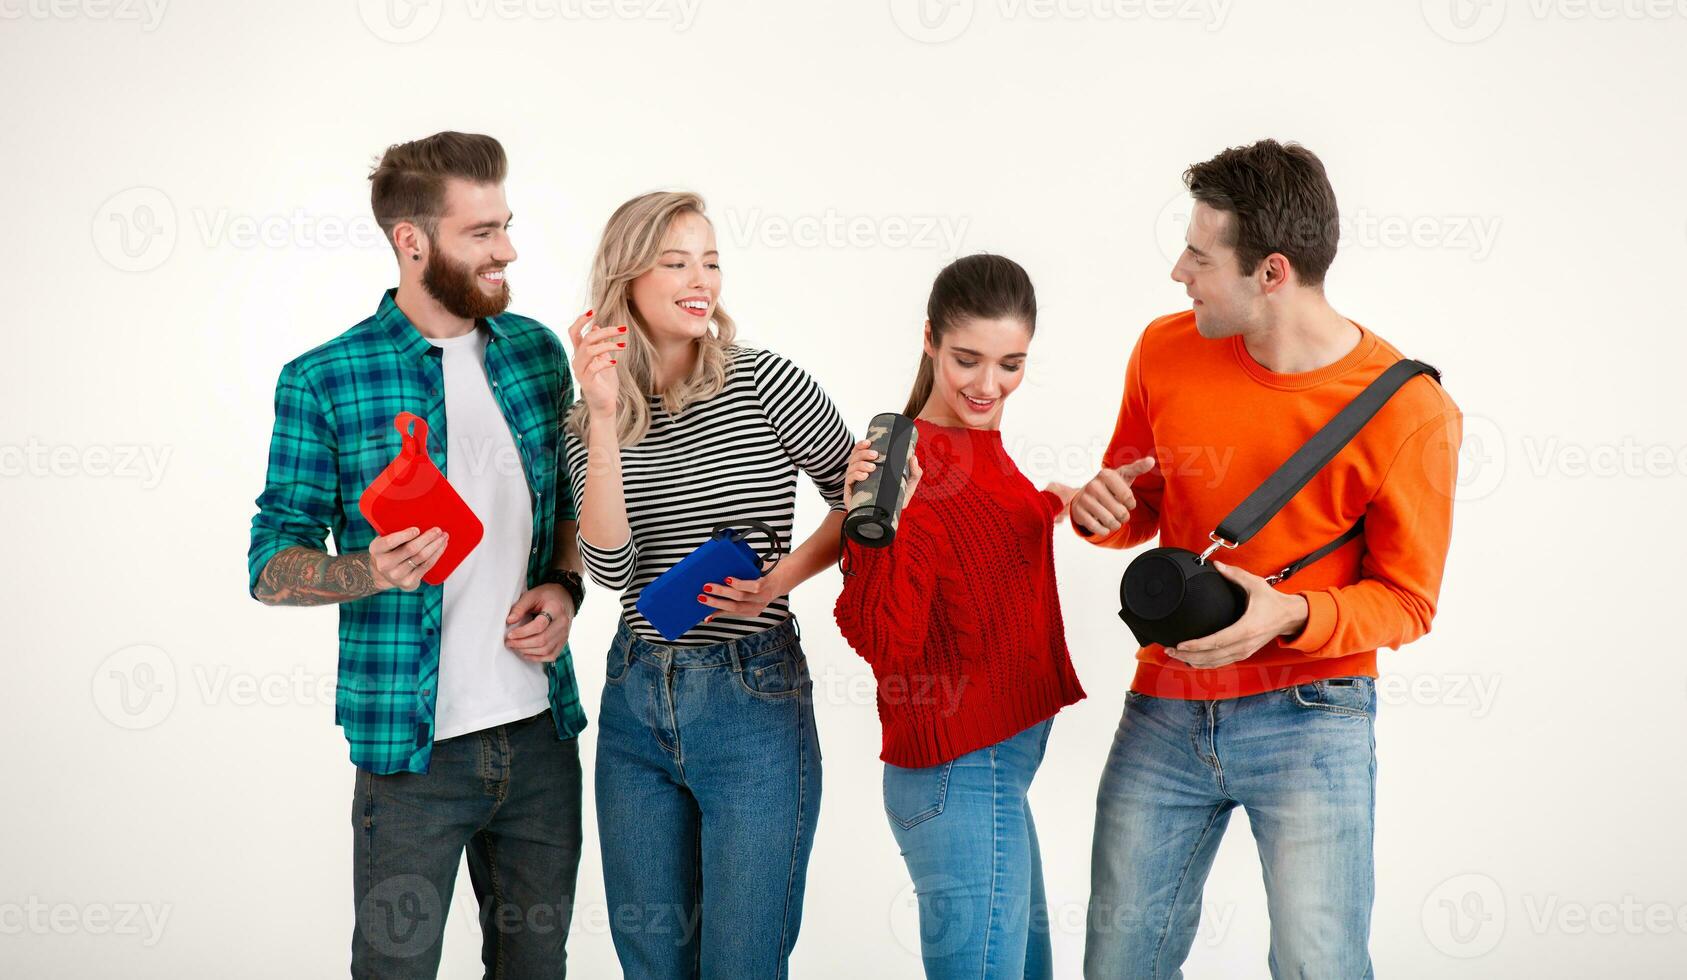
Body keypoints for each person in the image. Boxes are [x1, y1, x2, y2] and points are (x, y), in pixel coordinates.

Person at [1073, 139, 1463, 979]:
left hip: (1313, 716)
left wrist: (1289, 612)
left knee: (1316, 965)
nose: (1178, 271)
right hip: (1164, 706)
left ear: (1271, 273)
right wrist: (1098, 513)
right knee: (1117, 963)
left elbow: (1407, 602)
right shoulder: (1161, 349)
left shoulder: (1411, 412)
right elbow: (1134, 511)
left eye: (1198, 255)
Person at [247, 132, 588, 978]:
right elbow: (268, 561)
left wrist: (565, 588)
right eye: (481, 232)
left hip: (541, 738)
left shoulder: (538, 355)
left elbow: (569, 514)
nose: (507, 249)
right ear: (413, 241)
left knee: (536, 969)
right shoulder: (325, 378)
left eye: (506, 224)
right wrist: (364, 570)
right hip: (412, 754)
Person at [562, 190, 855, 978]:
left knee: (742, 965)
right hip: (634, 695)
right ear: (626, 278)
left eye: (712, 261)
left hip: (752, 698)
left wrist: (776, 581)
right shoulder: (589, 409)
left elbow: (858, 501)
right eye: (677, 261)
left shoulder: (765, 382)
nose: (702, 280)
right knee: (652, 964)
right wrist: (598, 414)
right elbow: (612, 570)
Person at [834, 254, 1087, 980]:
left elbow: (975, 538)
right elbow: (885, 639)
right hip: (958, 769)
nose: (987, 385)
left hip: (993, 769)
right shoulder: (901, 465)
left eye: (1010, 363)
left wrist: (1053, 503)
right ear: (929, 341)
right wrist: (884, 528)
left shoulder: (977, 445)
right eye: (967, 360)